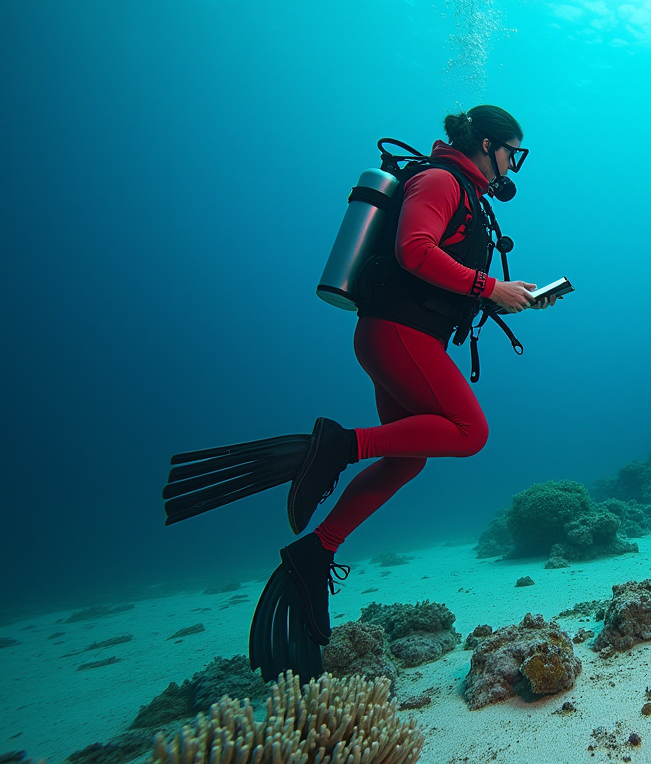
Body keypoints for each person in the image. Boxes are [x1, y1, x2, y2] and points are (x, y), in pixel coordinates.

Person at [161, 105, 559, 680]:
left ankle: (317, 549)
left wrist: (507, 295)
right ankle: (336, 446)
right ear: (488, 145)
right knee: (470, 432)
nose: (513, 166)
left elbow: (446, 275)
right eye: (513, 153)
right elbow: (413, 251)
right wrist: (489, 285)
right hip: (397, 335)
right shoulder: (440, 180)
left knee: (406, 459)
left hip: (406, 337)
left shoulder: (466, 193)